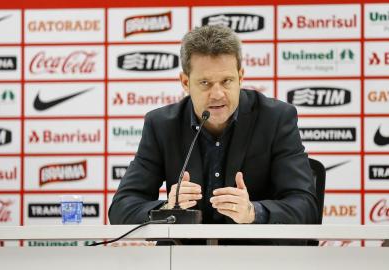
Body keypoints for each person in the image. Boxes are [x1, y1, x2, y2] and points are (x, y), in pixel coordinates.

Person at [109, 25, 318, 243]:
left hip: (256, 260)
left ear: (241, 77)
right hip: (183, 261)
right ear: (185, 82)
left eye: (227, 81)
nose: (217, 94)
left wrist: (254, 212)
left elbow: (306, 207)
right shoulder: (161, 125)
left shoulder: (275, 119)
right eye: (205, 83)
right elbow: (121, 208)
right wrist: (167, 209)